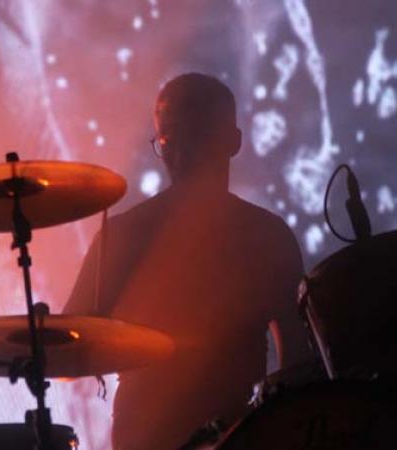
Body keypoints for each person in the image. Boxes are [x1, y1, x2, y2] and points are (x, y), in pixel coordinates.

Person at [63, 73, 309, 450]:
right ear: (234, 142)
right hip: (239, 434)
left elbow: (63, 354)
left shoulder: (123, 235)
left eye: (193, 139)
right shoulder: (269, 235)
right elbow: (297, 363)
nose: (179, 156)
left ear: (233, 142)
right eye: (168, 142)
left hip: (162, 436)